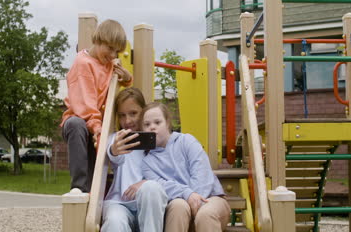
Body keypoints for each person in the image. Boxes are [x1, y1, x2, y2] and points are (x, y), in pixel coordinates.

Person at [61, 19, 133, 192]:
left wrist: (126, 77)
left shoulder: (107, 63)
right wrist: (98, 130)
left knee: (95, 177)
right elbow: (86, 104)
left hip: (95, 124)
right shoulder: (83, 64)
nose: (113, 55)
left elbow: (119, 82)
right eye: (110, 48)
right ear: (98, 40)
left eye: (117, 51)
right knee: (76, 124)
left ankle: (90, 197)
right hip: (80, 121)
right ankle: (78, 188)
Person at [141, 102, 231, 232]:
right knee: (178, 206)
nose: (152, 128)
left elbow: (202, 174)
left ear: (167, 123)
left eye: (157, 122)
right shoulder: (147, 162)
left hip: (209, 199)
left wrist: (195, 201)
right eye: (147, 124)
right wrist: (187, 194)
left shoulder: (187, 141)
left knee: (204, 214)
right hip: (181, 208)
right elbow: (162, 186)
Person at [102, 88, 168, 232]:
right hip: (119, 203)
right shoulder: (116, 139)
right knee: (114, 221)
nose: (127, 121)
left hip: (150, 204)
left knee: (151, 187)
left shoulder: (159, 137)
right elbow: (114, 156)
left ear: (144, 112)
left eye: (133, 113)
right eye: (122, 115)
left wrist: (146, 182)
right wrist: (114, 150)